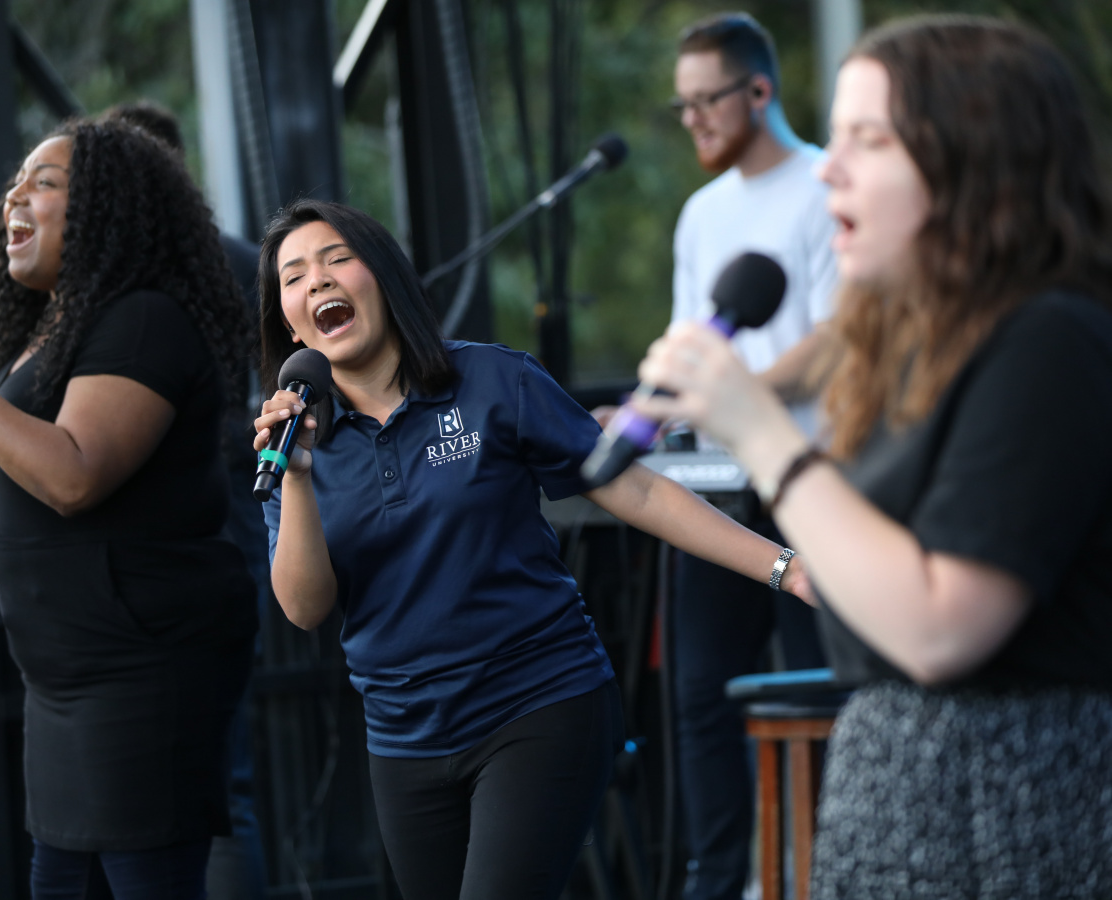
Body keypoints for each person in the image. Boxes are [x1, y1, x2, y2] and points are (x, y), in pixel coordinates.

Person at [635, 15, 1112, 898]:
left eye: (870, 139)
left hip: (1011, 812)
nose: (829, 168)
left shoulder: (1049, 340)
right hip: (896, 794)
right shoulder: (921, 346)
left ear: (969, 157)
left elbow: (940, 629)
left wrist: (764, 435)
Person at [251, 199, 815, 900]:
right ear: (289, 322)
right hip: (404, 740)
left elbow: (636, 490)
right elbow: (304, 609)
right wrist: (298, 476)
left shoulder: (491, 380)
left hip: (539, 703)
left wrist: (786, 568)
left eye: (338, 259)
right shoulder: (292, 446)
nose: (318, 281)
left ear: (384, 277)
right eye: (295, 277)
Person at [0, 118, 259, 900]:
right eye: (15, 183)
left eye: (44, 183)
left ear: (106, 211)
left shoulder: (144, 318)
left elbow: (76, 475)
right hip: (63, 680)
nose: (14, 197)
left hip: (139, 671)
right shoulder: (54, 330)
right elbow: (58, 491)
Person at [664, 13, 837, 898]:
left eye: (706, 100)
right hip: (722, 488)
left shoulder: (825, 187)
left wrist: (736, 396)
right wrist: (655, 406)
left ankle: (835, 872)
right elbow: (693, 344)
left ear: (759, 92)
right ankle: (719, 880)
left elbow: (839, 341)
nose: (691, 118)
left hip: (818, 485)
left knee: (824, 693)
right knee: (702, 694)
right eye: (682, 104)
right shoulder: (701, 214)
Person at [96, 98, 271, 900]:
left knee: (208, 783)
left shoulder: (215, 271)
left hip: (201, 539)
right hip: (212, 536)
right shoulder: (238, 264)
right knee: (214, 780)